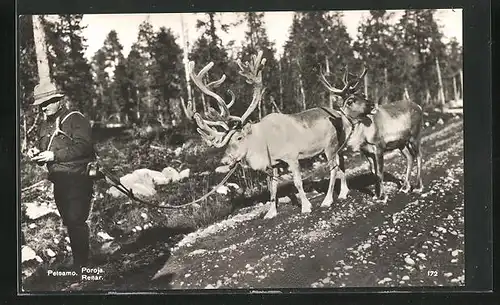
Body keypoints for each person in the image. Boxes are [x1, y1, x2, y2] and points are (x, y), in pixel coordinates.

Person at [27, 81, 95, 271]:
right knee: (70, 222)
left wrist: (54, 155)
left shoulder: (75, 119)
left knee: (76, 221)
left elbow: (84, 147)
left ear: (59, 100)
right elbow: (45, 152)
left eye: (48, 102)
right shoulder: (44, 126)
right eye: (41, 104)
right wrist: (37, 154)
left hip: (78, 179)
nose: (44, 107)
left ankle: (82, 269)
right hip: (60, 181)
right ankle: (81, 264)